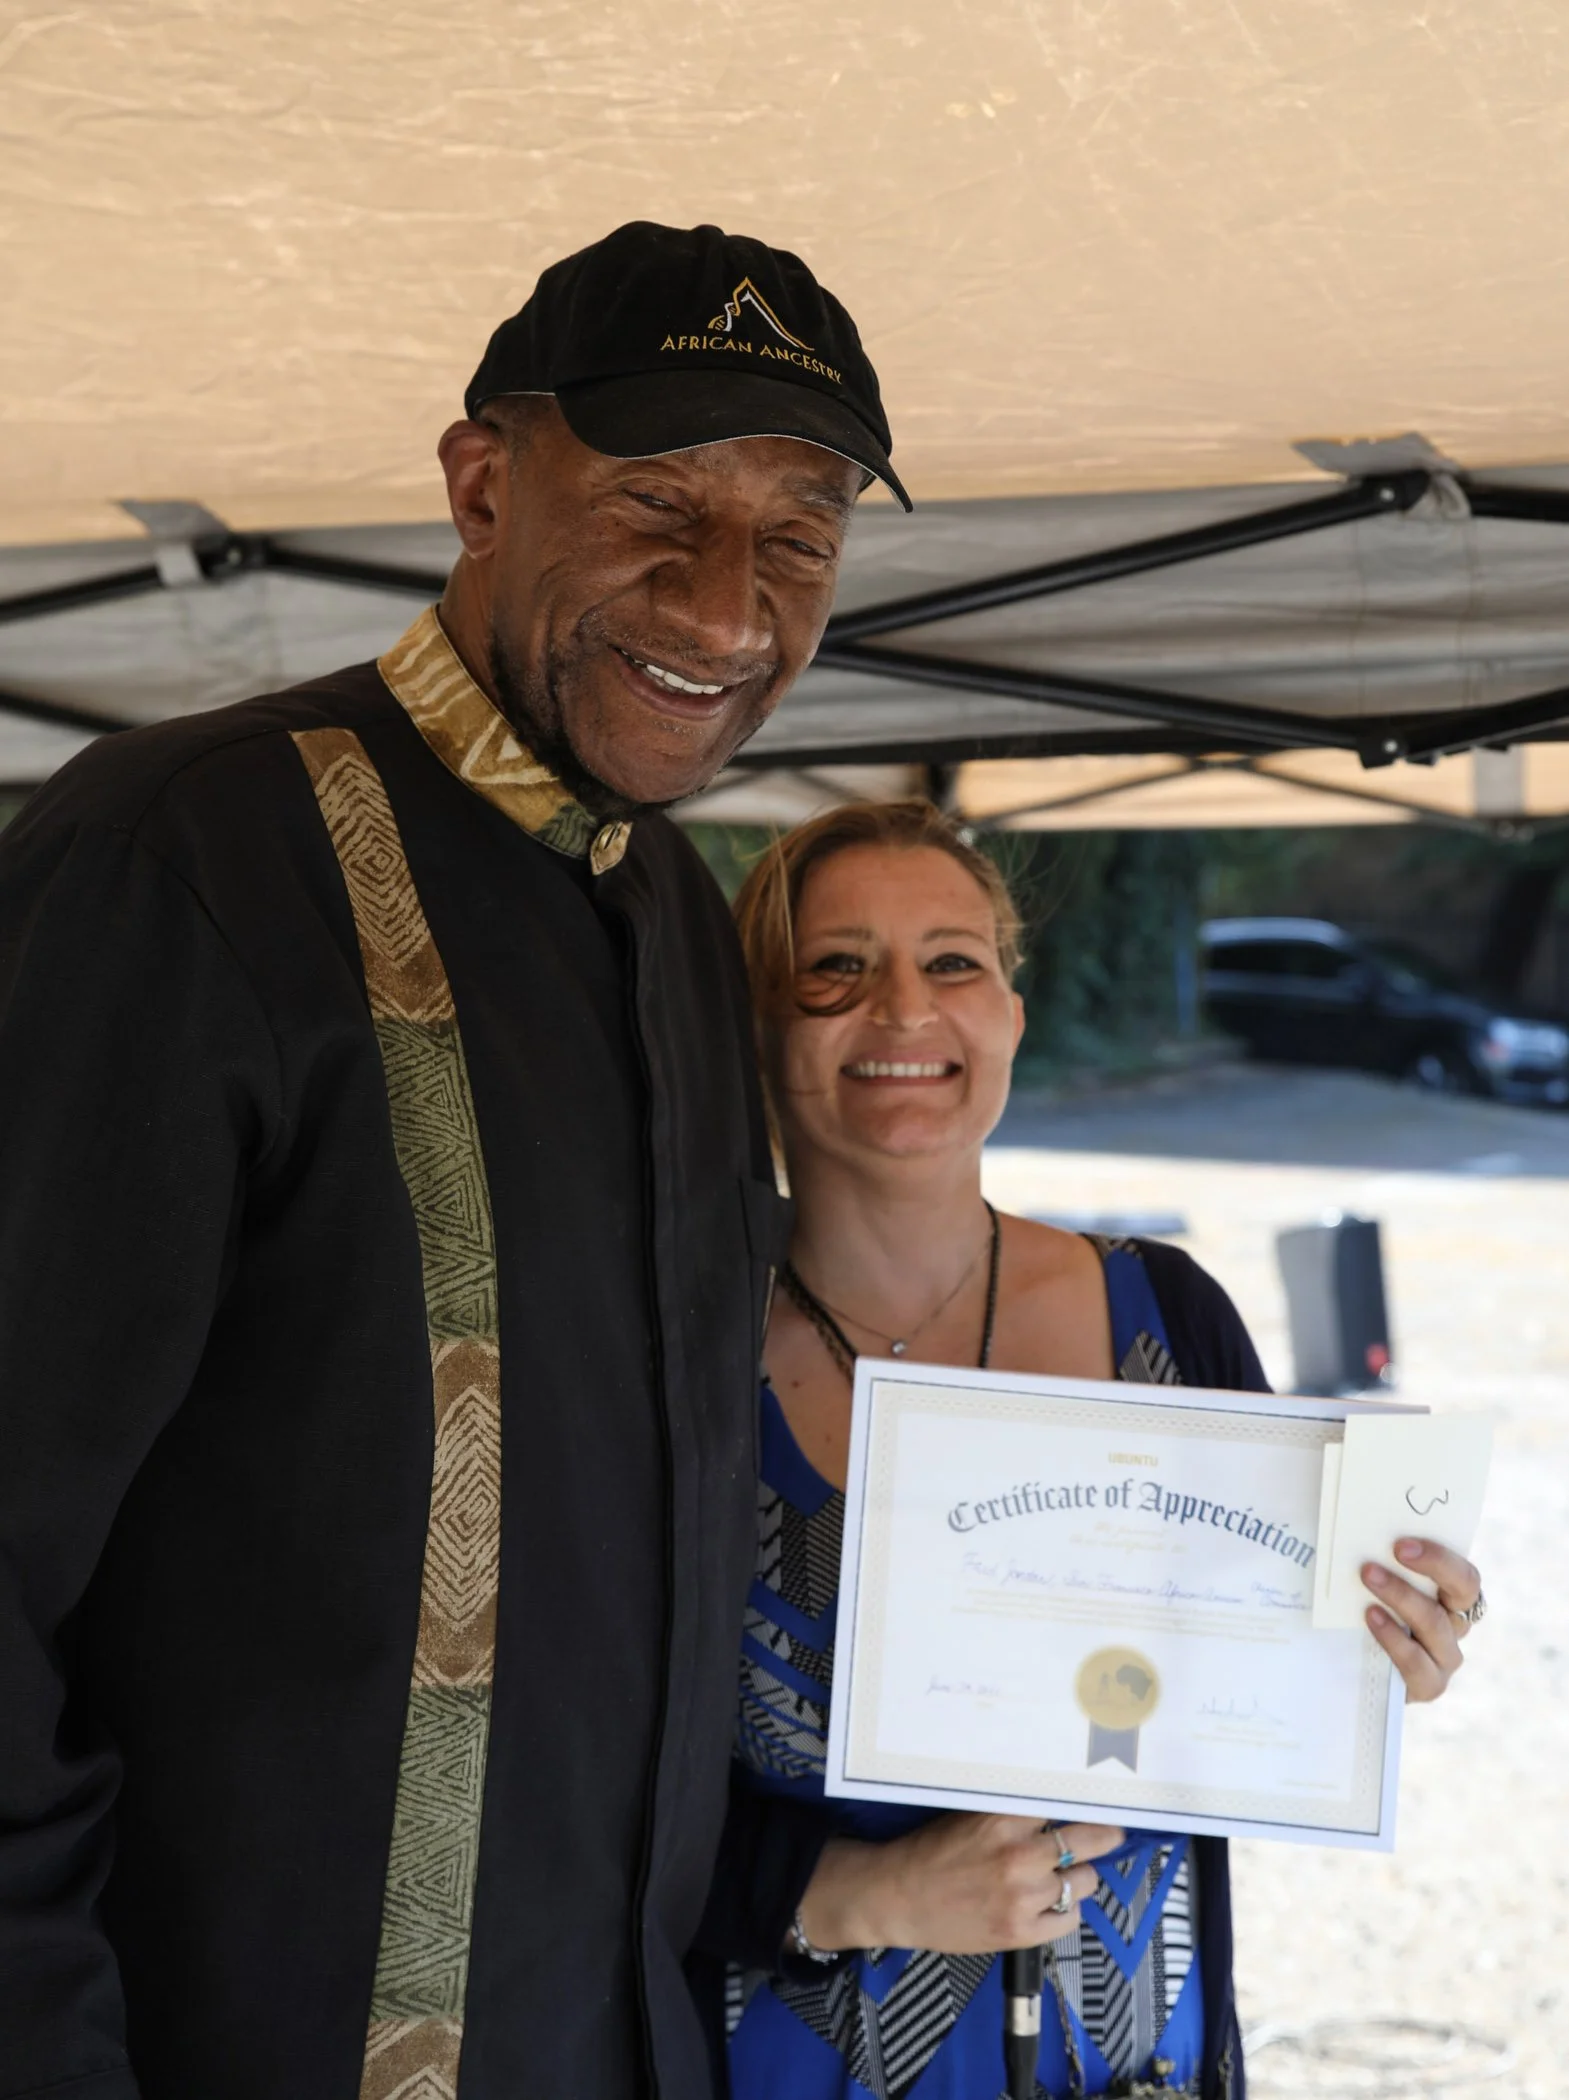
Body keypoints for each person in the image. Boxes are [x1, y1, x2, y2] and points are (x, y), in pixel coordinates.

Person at [0, 222, 911, 2098]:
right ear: (483, 483)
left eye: (799, 537)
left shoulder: (667, 911)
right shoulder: (185, 862)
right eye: (659, 501)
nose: (730, 604)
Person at [720, 799, 1485, 2100]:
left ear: (1012, 1013)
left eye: (952, 961)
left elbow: (1274, 1686)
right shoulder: (673, 1365)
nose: (904, 1010)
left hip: (1132, 2061)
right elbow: (567, 1784)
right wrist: (868, 1889)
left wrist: (1390, 1646)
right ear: (757, 1025)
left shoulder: (1171, 1320)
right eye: (836, 968)